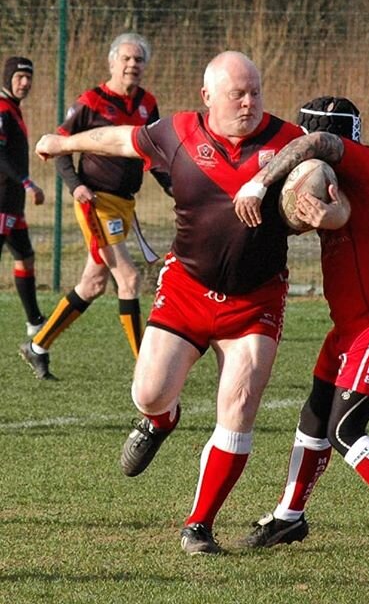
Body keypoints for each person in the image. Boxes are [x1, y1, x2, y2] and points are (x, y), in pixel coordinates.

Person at [34, 51, 307, 556]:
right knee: (149, 393)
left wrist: (326, 206)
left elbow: (330, 176)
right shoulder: (176, 131)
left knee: (240, 404)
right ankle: (161, 419)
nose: (249, 102)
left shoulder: (287, 142)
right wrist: (63, 142)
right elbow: (118, 139)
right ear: (208, 98)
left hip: (255, 300)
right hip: (187, 290)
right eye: (237, 94)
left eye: (256, 91)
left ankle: (198, 525)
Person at [234, 96, 369, 562]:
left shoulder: (363, 163)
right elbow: (313, 213)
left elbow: (318, 145)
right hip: (349, 329)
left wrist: (257, 182)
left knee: (345, 429)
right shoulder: (334, 185)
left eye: (307, 138)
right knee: (313, 419)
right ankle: (289, 516)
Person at [19, 32, 172, 381]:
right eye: (127, 59)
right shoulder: (90, 101)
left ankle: (38, 346)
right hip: (96, 203)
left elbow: (156, 155)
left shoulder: (148, 103)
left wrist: (175, 188)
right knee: (129, 279)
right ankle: (145, 369)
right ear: (112, 62)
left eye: (139, 60)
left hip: (124, 205)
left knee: (92, 284)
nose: (133, 65)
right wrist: (77, 186)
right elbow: (59, 147)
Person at [0, 56, 47, 341]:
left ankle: (34, 321)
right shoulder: (2, 110)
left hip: (13, 204)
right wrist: (27, 182)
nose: (25, 83)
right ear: (7, 78)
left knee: (25, 258)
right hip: (2, 201)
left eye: (28, 78)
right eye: (19, 77)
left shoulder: (13, 109)